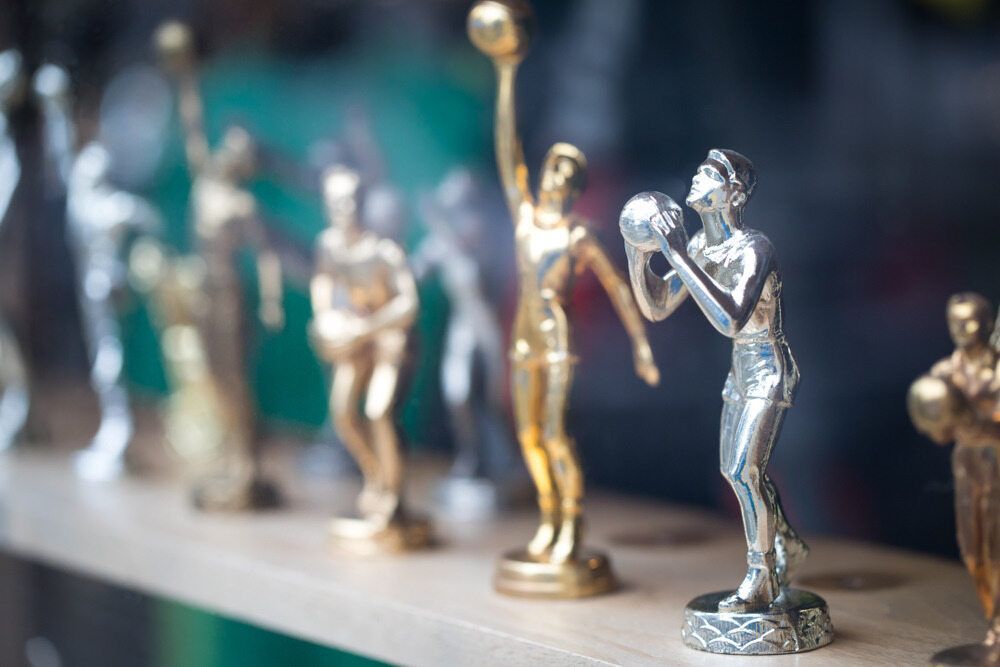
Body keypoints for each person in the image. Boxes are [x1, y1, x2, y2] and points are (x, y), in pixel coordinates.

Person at [469, 0, 659, 590]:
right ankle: (549, 522)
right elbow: (507, 152)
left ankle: (569, 523)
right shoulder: (526, 219)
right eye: (552, 169)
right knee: (527, 435)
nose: (555, 178)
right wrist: (506, 75)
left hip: (556, 342)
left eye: (565, 175)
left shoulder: (577, 235)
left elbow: (619, 290)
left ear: (573, 187)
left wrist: (640, 346)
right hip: (523, 339)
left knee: (554, 435)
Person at [620, 149, 807, 611]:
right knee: (737, 471)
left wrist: (676, 252)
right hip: (739, 372)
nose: (697, 176)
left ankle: (761, 574)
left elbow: (731, 318)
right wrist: (638, 253)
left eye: (711, 173)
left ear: (734, 194)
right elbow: (657, 306)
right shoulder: (702, 245)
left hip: (768, 369)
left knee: (745, 471)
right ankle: (785, 540)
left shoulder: (755, 248)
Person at [156, 22, 284, 510]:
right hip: (204, 292)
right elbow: (192, 129)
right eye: (225, 149)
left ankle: (247, 464)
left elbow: (268, 254)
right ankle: (232, 459)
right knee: (213, 377)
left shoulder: (240, 205)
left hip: (231, 296)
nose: (224, 155)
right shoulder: (206, 184)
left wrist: (270, 300)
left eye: (234, 152)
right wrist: (186, 79)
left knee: (236, 379)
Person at [310, 166, 427, 549]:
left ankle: (393, 497)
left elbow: (409, 304)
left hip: (391, 343)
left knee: (379, 413)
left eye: (349, 201)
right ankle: (377, 478)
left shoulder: (384, 251)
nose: (342, 209)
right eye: (334, 202)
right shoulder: (328, 245)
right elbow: (323, 281)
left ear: (363, 204)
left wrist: (366, 328)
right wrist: (325, 317)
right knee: (343, 412)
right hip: (356, 342)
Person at [909, 293, 1000, 663]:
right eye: (956, 323)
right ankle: (993, 625)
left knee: (996, 547)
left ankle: (997, 632)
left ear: (988, 323)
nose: (963, 330)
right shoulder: (946, 372)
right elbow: (938, 429)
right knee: (972, 550)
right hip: (967, 466)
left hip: (996, 464)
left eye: (971, 321)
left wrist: (976, 425)